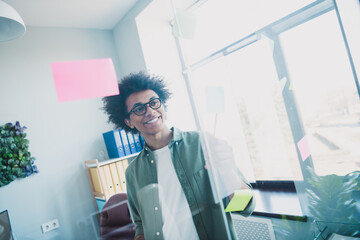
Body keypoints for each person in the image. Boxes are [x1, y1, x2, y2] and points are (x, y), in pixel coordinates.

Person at [102, 71, 254, 240]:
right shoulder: (133, 172)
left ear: (163, 105)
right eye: (139, 108)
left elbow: (246, 206)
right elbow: (140, 226)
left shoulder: (202, 143)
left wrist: (227, 172)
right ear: (128, 122)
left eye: (154, 102)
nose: (150, 111)